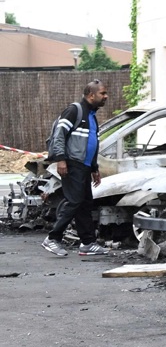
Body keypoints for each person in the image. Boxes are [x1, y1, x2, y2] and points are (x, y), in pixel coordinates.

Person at [42, 80, 113, 257]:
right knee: (74, 201)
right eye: (102, 93)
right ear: (91, 95)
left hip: (84, 166)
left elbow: (91, 144)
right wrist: (60, 160)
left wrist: (94, 168)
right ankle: (53, 238)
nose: (106, 96)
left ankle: (88, 243)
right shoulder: (74, 111)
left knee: (84, 204)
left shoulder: (91, 115)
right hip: (72, 163)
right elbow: (59, 135)